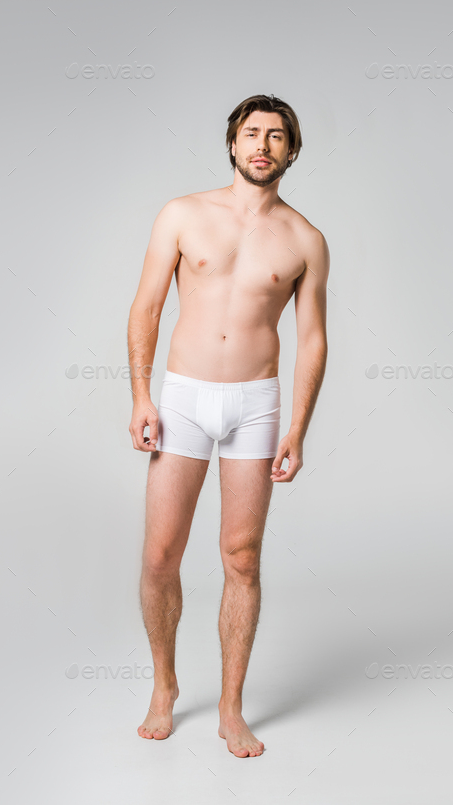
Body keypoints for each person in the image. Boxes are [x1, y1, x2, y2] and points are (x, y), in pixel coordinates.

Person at [127, 93, 330, 757]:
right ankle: (165, 686)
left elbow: (314, 339)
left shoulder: (305, 240)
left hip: (256, 404)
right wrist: (141, 395)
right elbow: (147, 307)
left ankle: (232, 708)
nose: (262, 145)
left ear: (292, 151)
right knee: (160, 558)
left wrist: (297, 427)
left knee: (241, 558)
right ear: (233, 145)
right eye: (251, 134)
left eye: (276, 136)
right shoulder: (182, 214)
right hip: (183, 397)